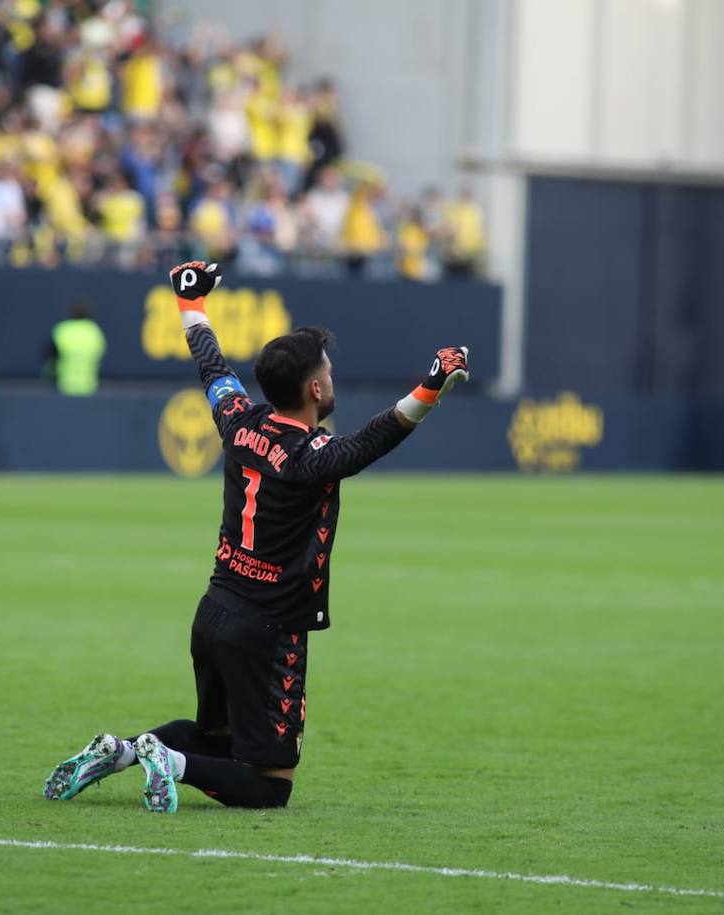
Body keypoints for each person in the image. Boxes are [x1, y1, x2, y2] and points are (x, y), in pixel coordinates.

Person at [43, 261, 469, 812]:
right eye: (329, 372)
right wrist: (432, 384)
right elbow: (377, 437)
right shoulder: (310, 456)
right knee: (272, 784)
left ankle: (122, 750)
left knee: (217, 737)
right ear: (315, 388)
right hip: (268, 630)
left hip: (215, 611)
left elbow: (211, 366)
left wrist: (191, 303)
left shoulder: (238, 420)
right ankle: (168, 761)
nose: (332, 379)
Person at [44, 302, 106, 396]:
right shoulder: (94, 331)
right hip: (89, 386)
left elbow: (50, 355)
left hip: (64, 386)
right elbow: (100, 353)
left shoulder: (63, 330)